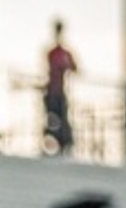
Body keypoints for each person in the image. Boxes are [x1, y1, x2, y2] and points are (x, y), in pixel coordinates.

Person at [43, 20, 79, 155]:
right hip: (53, 92)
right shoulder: (54, 53)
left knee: (61, 120)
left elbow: (74, 67)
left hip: (59, 92)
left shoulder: (63, 53)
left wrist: (66, 67)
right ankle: (55, 143)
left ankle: (63, 144)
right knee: (53, 120)